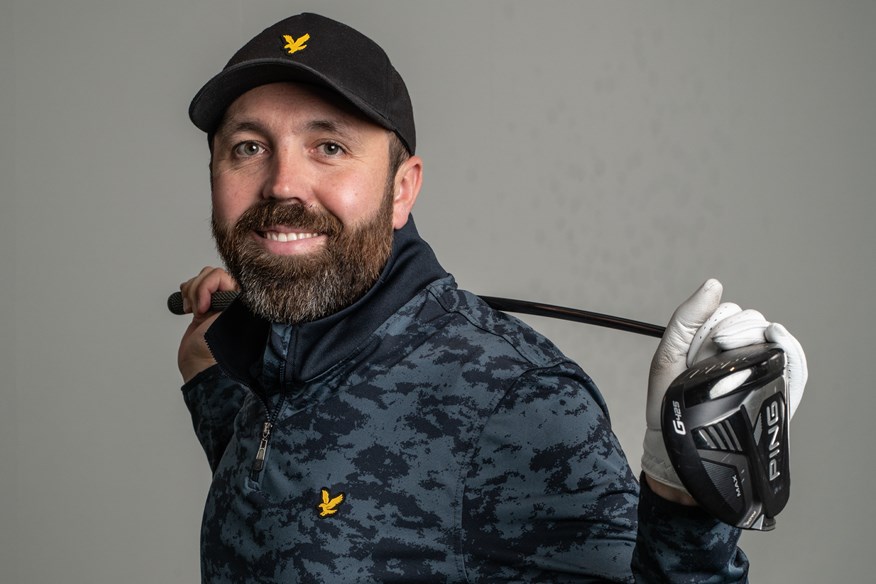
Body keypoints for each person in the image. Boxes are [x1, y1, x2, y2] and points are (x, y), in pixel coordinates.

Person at [176, 12, 807, 583]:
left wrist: (683, 502)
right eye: (249, 148)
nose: (283, 183)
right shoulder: (263, 359)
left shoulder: (516, 400)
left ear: (401, 189)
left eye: (330, 147)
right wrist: (210, 366)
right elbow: (288, 503)